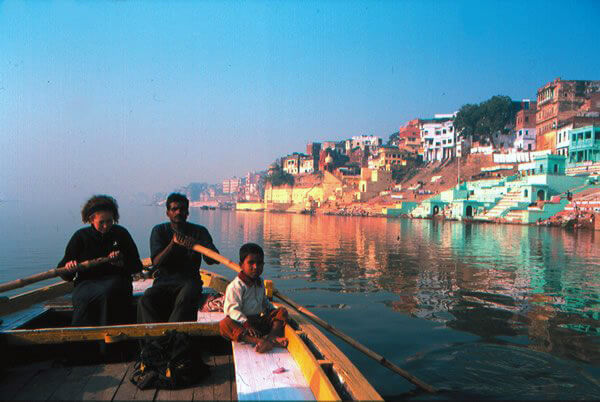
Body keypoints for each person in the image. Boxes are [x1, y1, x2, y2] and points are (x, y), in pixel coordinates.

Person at [58, 195, 143, 326]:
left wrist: (122, 263)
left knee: (108, 293)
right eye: (102, 222)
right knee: (86, 300)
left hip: (117, 282)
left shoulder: (121, 234)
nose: (106, 226)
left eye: (110, 221)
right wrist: (69, 267)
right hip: (86, 285)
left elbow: (137, 266)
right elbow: (65, 275)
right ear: (91, 219)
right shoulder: (80, 237)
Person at [137, 193, 219, 323]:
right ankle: (155, 341)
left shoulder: (199, 231)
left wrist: (198, 244)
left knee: (185, 298)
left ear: (187, 212)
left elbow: (213, 260)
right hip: (164, 282)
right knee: (145, 301)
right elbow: (156, 262)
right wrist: (172, 244)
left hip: (190, 281)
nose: (178, 212)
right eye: (174, 209)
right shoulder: (159, 230)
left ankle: (172, 336)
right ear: (167, 213)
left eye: (182, 209)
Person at [219, 243, 288, 353]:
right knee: (224, 325)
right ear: (241, 265)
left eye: (259, 263)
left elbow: (264, 302)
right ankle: (258, 341)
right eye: (251, 263)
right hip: (244, 325)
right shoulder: (236, 286)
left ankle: (271, 337)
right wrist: (246, 324)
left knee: (282, 312)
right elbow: (232, 310)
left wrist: (272, 310)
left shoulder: (260, 281)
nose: (256, 267)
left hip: (258, 321)